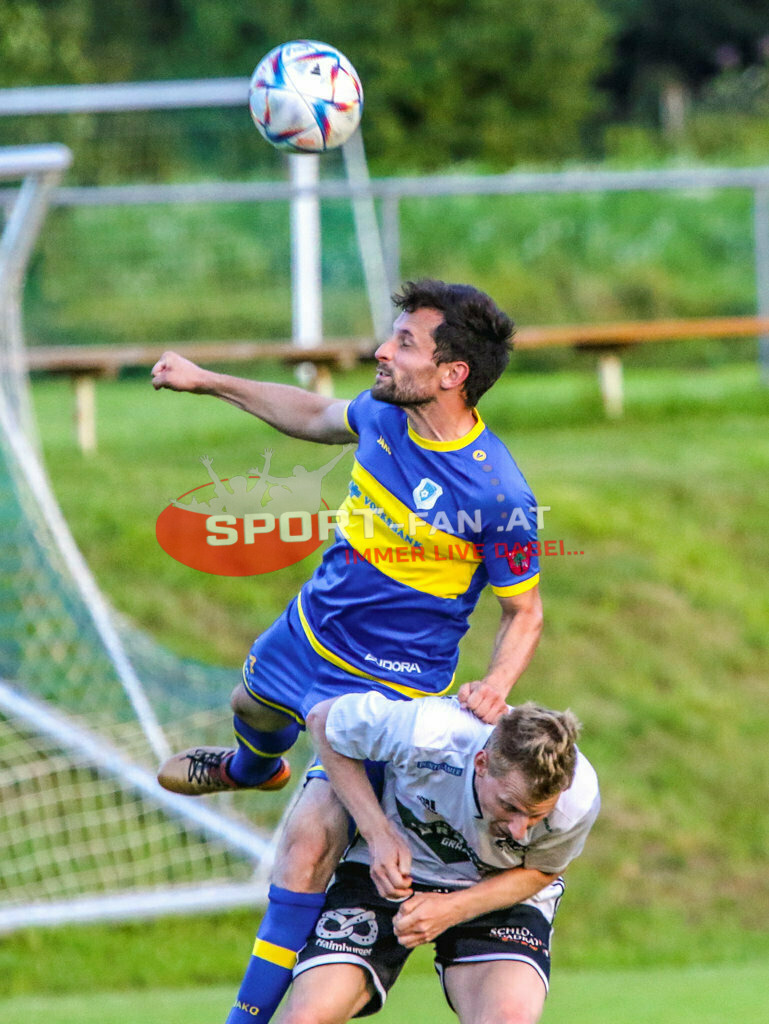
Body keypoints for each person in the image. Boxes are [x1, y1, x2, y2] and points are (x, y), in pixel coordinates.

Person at [150, 279, 544, 1023]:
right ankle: (249, 768)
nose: (380, 351)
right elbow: (312, 413)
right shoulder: (385, 417)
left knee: (307, 843)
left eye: (403, 342)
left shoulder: (499, 495)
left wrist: (495, 683)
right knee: (250, 706)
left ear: (452, 373)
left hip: (386, 686)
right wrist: (207, 382)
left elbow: (523, 612)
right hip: (309, 632)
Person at [272, 693, 600, 1024]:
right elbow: (323, 720)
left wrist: (454, 908)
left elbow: (542, 869)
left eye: (536, 817)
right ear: (482, 763)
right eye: (510, 807)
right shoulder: (429, 732)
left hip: (498, 890)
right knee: (304, 1018)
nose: (520, 831)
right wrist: (378, 833)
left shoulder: (577, 798)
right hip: (391, 874)